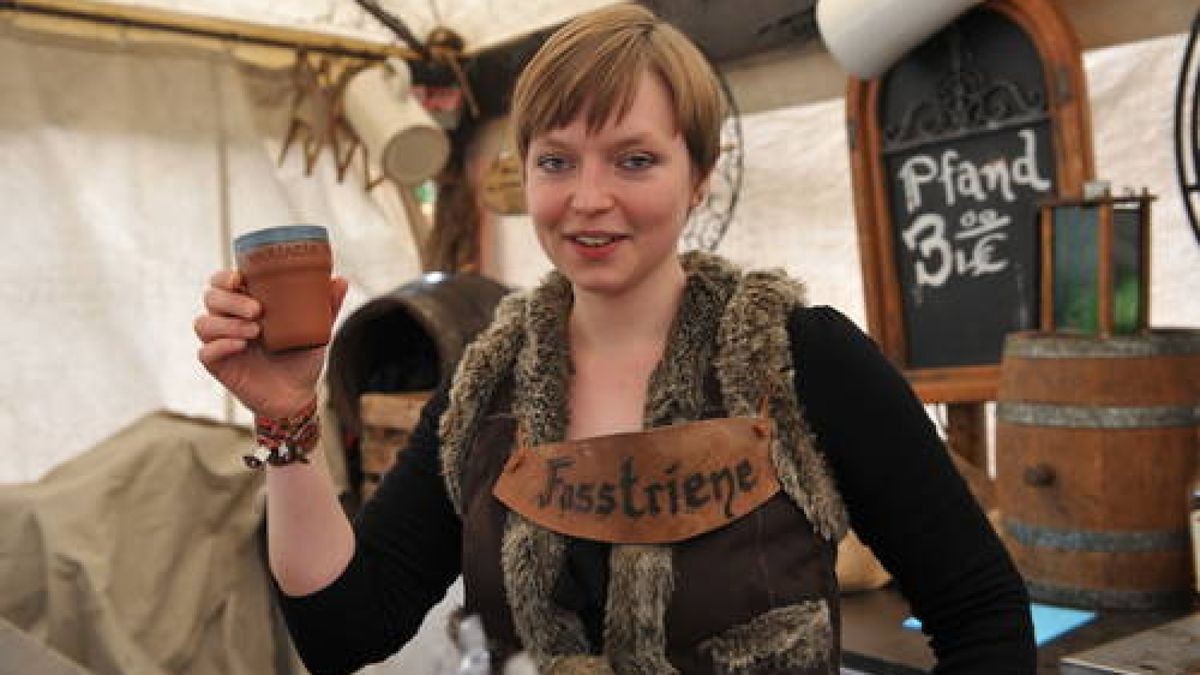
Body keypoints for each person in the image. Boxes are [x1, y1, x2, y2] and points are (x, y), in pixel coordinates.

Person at [195, 5, 1035, 673]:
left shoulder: (798, 358)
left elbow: (984, 616)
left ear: (698, 175)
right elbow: (346, 631)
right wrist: (286, 419)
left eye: (634, 160)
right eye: (558, 161)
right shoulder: (487, 387)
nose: (589, 197)